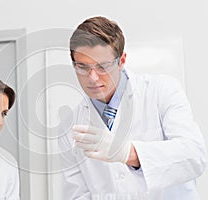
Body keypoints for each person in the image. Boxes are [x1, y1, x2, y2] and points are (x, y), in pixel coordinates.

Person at [58, 16, 207, 200]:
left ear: (122, 61)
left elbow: (194, 156)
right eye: (82, 67)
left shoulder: (162, 91)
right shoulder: (69, 127)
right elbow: (77, 195)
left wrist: (128, 153)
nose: (93, 78)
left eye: (102, 66)